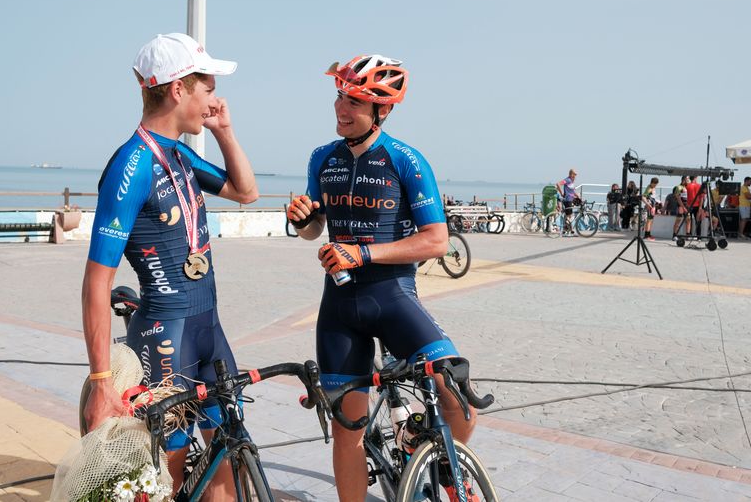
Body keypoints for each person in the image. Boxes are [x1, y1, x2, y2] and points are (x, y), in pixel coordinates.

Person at [286, 55, 476, 501]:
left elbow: (435, 241)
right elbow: (315, 228)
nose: (341, 108)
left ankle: (427, 451)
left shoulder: (405, 160)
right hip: (340, 309)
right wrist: (303, 221)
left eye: (354, 101)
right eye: (339, 96)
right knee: (346, 428)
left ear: (382, 110)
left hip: (391, 297)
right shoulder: (321, 157)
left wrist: (363, 253)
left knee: (458, 400)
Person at [82, 33, 258, 497]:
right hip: (166, 338)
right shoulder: (131, 165)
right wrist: (102, 382)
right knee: (167, 476)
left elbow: (246, 192)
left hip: (209, 331)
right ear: (178, 89)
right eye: (207, 87)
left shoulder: (180, 153)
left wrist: (223, 131)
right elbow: (97, 281)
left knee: (229, 456)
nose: (214, 99)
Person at [556, 169, 579, 234]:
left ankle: (567, 230)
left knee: (569, 216)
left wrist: (577, 196)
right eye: (574, 174)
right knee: (569, 215)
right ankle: (568, 230)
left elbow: (572, 191)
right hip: (567, 199)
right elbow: (558, 184)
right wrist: (561, 193)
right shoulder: (568, 180)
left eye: (575, 175)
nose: (575, 176)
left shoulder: (571, 181)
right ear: (571, 174)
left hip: (570, 200)